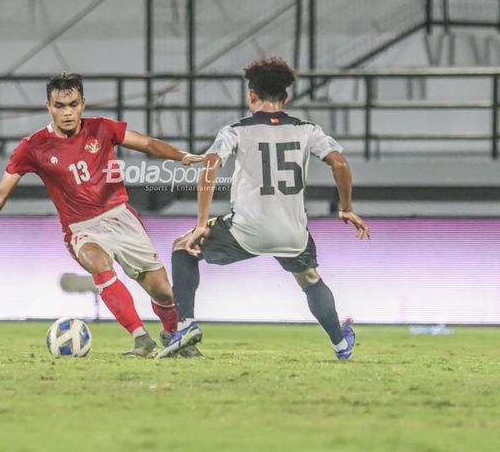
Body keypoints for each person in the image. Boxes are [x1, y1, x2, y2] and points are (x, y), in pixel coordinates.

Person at [0, 72, 204, 357]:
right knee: (99, 263)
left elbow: (146, 143)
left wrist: (179, 155)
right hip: (81, 227)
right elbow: (0, 194)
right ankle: (140, 338)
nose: (67, 112)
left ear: (82, 104)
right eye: (59, 106)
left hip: (121, 217)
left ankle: (174, 337)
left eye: (72, 104)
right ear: (49, 107)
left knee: (162, 292)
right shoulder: (33, 147)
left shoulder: (102, 129)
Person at [157, 57, 370, 359]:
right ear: (285, 97)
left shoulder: (236, 130)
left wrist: (202, 222)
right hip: (292, 233)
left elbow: (211, 166)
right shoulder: (307, 129)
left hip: (246, 231)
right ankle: (340, 343)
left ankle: (187, 324)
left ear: (251, 95)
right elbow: (340, 162)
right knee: (309, 278)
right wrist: (346, 207)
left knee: (183, 247)